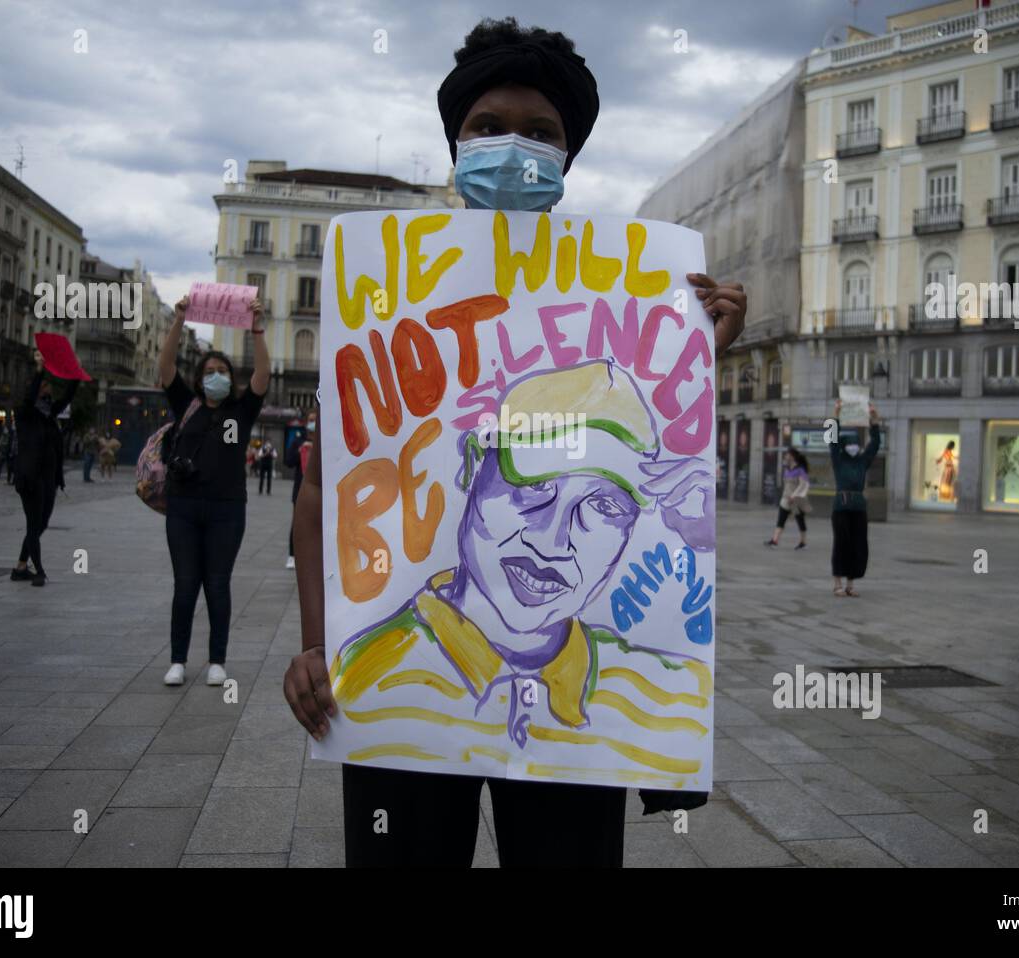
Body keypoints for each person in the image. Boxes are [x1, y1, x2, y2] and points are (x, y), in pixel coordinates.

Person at [283, 16, 746, 869]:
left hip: (581, 749)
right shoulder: (383, 299)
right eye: (488, 127)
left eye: (542, 133)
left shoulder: (637, 687)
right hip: (401, 735)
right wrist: (317, 643)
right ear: (455, 142)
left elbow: (653, 436)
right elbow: (323, 489)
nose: (515, 147)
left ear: (568, 158)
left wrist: (692, 360)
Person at [158, 294, 269, 688]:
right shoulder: (186, 405)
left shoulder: (242, 410)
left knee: (218, 583)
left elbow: (263, 376)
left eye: (223, 370)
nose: (216, 375)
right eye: (210, 370)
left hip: (227, 510)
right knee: (185, 583)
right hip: (184, 507)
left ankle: (217, 660)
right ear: (200, 377)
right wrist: (179, 320)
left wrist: (257, 330)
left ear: (231, 376)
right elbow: (166, 366)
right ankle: (177, 660)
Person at [10, 351, 79, 586]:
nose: (49, 388)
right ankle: (38, 570)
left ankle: (21, 566)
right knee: (33, 523)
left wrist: (75, 374)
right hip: (30, 476)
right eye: (45, 385)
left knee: (41, 524)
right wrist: (40, 370)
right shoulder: (25, 412)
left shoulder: (48, 414)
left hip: (48, 477)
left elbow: (67, 397)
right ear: (37, 388)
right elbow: (30, 398)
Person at [830, 400, 880, 597]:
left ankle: (851, 583)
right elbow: (831, 441)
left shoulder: (862, 461)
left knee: (858, 545)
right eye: (849, 444)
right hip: (841, 507)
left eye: (855, 444)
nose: (853, 447)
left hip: (859, 508)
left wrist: (874, 420)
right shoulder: (838, 460)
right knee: (841, 543)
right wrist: (836, 416)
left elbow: (875, 444)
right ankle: (837, 583)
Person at [285, 413, 315, 570]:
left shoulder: (323, 440)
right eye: (310, 420)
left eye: (315, 420)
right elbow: (288, 461)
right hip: (300, 488)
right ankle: (292, 555)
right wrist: (299, 451)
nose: (313, 423)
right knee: (297, 523)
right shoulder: (298, 440)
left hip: (318, 491)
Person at [765, 448, 810, 549]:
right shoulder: (787, 469)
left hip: (797, 500)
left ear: (792, 456)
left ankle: (803, 542)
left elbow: (804, 485)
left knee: (800, 521)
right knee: (781, 520)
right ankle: (774, 541)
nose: (786, 456)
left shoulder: (800, 470)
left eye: (787, 454)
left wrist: (794, 496)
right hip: (786, 499)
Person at [0, 415, 18, 484]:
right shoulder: (8, 428)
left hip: (8, 450)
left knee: (9, 466)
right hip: (6, 450)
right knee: (3, 465)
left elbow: (11, 441)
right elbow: (3, 438)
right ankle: (0, 479)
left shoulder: (11, 429)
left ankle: (8, 480)